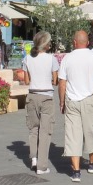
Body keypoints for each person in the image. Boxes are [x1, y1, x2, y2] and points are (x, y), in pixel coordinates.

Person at [58, 29, 93, 182]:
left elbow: (62, 83)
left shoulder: (67, 59)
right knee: (90, 132)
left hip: (72, 100)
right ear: (87, 43)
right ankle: (92, 164)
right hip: (90, 100)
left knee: (73, 134)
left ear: (74, 42)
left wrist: (61, 102)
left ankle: (76, 172)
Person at [21, 31, 59, 175]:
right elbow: (55, 80)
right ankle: (42, 166)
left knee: (33, 129)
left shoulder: (27, 58)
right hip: (46, 96)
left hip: (32, 96)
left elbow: (26, 81)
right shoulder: (51, 59)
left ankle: (34, 159)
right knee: (45, 131)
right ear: (46, 44)